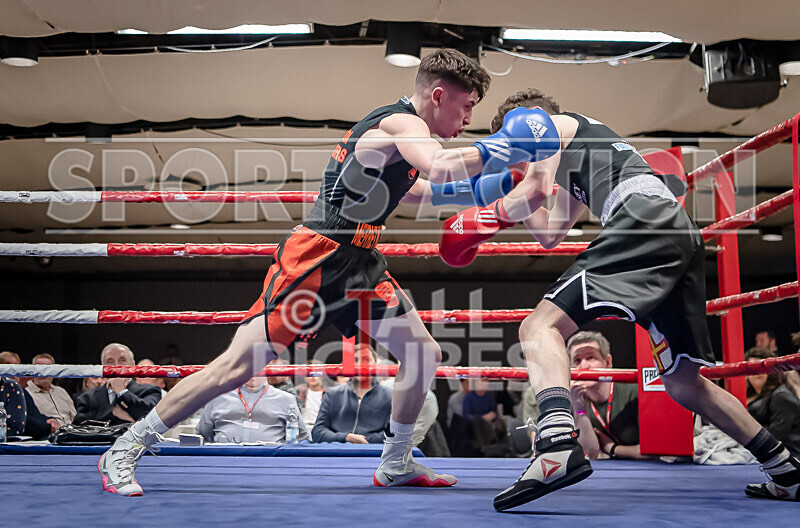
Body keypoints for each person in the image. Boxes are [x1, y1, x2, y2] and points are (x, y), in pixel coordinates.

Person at [99, 48, 562, 496]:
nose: (467, 120)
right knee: (239, 367)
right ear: (438, 95)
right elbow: (439, 169)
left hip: (360, 262)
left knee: (421, 353)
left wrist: (504, 181)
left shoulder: (404, 140)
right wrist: (507, 144)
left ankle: (395, 460)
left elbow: (422, 192)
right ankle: (126, 445)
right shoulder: (399, 123)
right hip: (317, 258)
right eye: (466, 107)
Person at [438, 88, 800, 508]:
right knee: (684, 383)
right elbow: (550, 234)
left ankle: (556, 446)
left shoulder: (546, 124)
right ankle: (785, 469)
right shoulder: (578, 155)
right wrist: (506, 196)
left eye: (512, 145)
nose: (513, 155)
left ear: (526, 121)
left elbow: (535, 189)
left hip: (642, 220)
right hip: (674, 231)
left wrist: (483, 212)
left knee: (538, 326)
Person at [567, 331, 645, 460]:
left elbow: (657, 452)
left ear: (607, 362)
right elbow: (589, 454)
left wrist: (612, 448)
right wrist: (579, 409)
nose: (584, 366)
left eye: (590, 357)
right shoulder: (575, 398)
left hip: (649, 471)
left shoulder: (633, 391)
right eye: (577, 360)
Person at [312, 346, 392, 445]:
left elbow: (393, 434)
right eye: (355, 360)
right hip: (337, 454)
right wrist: (346, 437)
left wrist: (361, 440)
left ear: (375, 364)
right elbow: (317, 433)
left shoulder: (390, 396)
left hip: (374, 455)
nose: (360, 364)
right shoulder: (333, 394)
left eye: (366, 360)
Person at [197, 375, 308, 444]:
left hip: (271, 462)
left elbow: (301, 438)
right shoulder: (217, 396)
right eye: (248, 365)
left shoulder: (286, 399)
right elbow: (203, 435)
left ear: (267, 366)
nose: (253, 371)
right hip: (223, 461)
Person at [75, 344, 162, 425]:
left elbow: (150, 420)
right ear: (103, 367)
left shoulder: (151, 391)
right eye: (110, 361)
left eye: (122, 360)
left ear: (132, 365)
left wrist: (122, 392)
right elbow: (79, 424)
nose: (117, 366)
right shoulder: (87, 398)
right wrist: (113, 413)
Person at [746, 348, 800, 457]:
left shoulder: (781, 396)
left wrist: (743, 432)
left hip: (789, 456)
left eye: (761, 369)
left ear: (771, 371)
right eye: (752, 369)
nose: (757, 373)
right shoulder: (755, 395)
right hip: (765, 452)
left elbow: (777, 435)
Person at [0, 351, 53, 439]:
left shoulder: (20, 390)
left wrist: (48, 420)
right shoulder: (11, 389)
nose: (13, 371)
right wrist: (48, 426)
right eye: (8, 366)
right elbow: (23, 421)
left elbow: (34, 414)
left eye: (16, 367)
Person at [25, 353, 77, 427]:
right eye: (40, 368)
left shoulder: (61, 391)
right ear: (33, 371)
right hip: (47, 435)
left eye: (48, 368)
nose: (44, 372)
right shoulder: (26, 394)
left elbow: (75, 417)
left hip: (72, 433)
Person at [296, 360, 328, 435]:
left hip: (322, 429)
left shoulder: (329, 392)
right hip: (301, 428)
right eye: (309, 373)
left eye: (317, 373)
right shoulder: (299, 390)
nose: (313, 377)